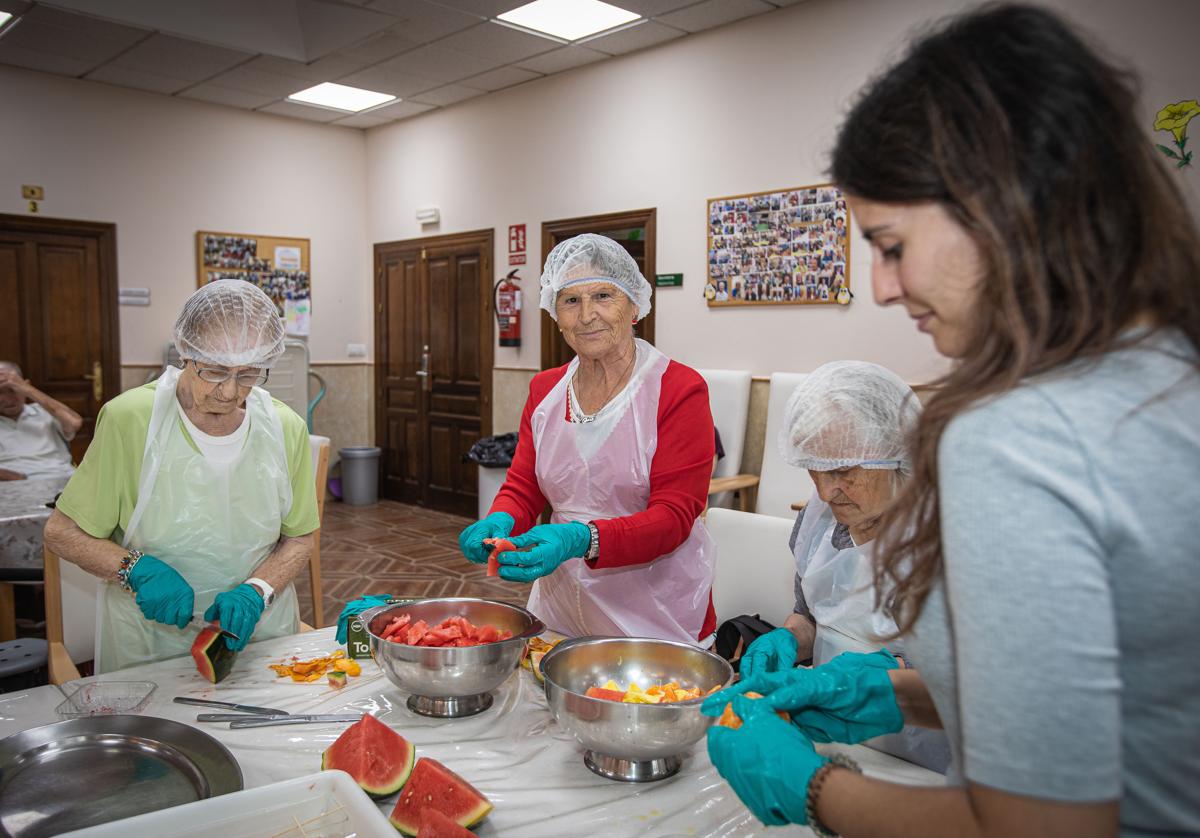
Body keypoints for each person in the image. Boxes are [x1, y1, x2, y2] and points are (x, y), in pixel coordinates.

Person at [703, 5, 1200, 837]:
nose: (885, 287)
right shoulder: (1159, 374)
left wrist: (814, 790)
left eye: (892, 244)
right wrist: (893, 690)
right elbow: (1095, 696)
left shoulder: (1018, 437)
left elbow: (1040, 826)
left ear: (998, 204)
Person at [44, 280, 319, 673]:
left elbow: (300, 536)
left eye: (248, 375)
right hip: (147, 648)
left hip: (260, 641)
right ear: (186, 353)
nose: (229, 392)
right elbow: (61, 532)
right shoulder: (131, 420)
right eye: (215, 371)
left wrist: (257, 590)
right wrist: (135, 569)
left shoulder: (284, 427)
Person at [460, 233, 716, 644]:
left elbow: (674, 516)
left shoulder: (678, 389)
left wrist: (584, 538)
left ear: (634, 306)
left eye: (603, 296)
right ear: (554, 313)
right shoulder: (545, 391)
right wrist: (501, 519)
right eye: (571, 301)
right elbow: (525, 487)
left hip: (654, 613)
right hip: (561, 605)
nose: (586, 316)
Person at [736, 360, 948, 772]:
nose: (825, 490)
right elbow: (810, 616)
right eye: (814, 469)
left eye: (843, 471)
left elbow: (970, 686)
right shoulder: (817, 522)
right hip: (831, 738)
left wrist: (875, 680)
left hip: (924, 758)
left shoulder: (948, 539)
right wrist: (787, 640)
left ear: (898, 457)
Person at [0, 361, 82, 481]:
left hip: (59, 477)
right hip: (12, 485)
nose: (6, 399)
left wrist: (28, 389)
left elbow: (74, 422)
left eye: (12, 390)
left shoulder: (46, 412)